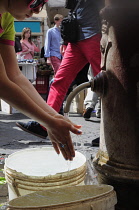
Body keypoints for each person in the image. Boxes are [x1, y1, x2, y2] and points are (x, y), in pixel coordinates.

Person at [0, 0, 82, 161]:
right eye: (35, 1)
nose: (37, 10)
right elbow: (2, 84)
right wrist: (48, 121)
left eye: (42, 3)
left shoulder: (6, 17)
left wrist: (54, 117)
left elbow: (14, 76)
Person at [17, 0, 102, 141]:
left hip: (94, 35)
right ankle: (44, 125)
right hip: (76, 39)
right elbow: (74, 11)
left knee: (106, 85)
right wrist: (66, 40)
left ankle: (109, 132)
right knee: (58, 81)